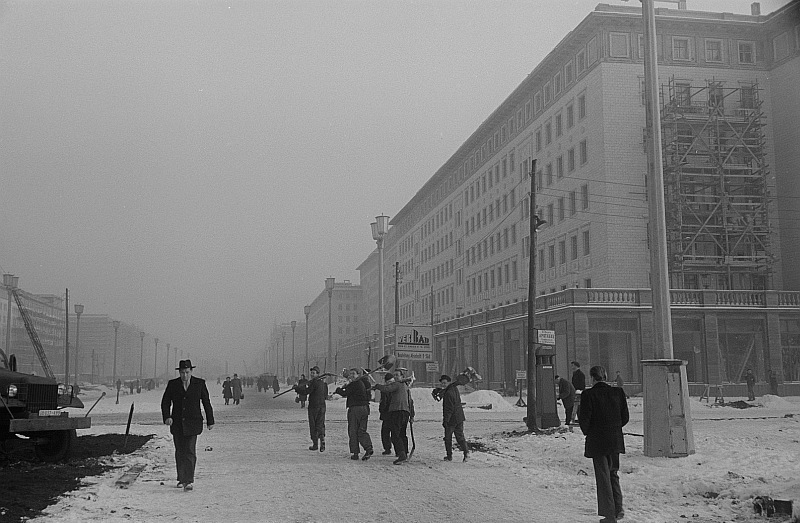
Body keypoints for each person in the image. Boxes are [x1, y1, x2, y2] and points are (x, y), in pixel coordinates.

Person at [579, 365, 629, 523]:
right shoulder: (618, 392)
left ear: (592, 378)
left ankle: (608, 515)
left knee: (603, 476)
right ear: (605, 377)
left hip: (598, 441)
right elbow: (625, 417)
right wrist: (614, 428)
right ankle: (618, 508)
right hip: (615, 440)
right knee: (613, 473)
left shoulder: (588, 395)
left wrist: (590, 432)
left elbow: (584, 420)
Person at [161, 359, 215, 492]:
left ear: (191, 371)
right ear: (179, 373)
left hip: (193, 423)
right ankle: (181, 478)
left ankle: (189, 480)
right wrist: (167, 417)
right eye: (182, 373)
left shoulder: (199, 384)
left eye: (187, 372)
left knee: (190, 450)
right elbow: (165, 402)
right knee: (180, 451)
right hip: (177, 423)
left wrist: (210, 420)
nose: (184, 375)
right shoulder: (173, 384)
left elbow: (206, 402)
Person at [335, 368, 374, 461]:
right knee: (361, 430)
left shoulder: (355, 384)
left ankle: (355, 452)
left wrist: (338, 390)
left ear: (358, 375)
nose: (351, 375)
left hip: (355, 409)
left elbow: (345, 393)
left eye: (354, 374)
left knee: (353, 430)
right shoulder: (362, 383)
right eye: (350, 373)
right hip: (365, 408)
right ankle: (368, 448)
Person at [373, 371, 411, 465]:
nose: (395, 377)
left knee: (395, 435)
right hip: (405, 412)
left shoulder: (397, 384)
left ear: (402, 376)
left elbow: (387, 389)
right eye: (394, 375)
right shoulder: (406, 386)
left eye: (397, 375)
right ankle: (404, 452)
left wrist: (378, 386)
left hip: (397, 411)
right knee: (402, 434)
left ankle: (401, 454)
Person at [294, 366, 327, 452]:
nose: (312, 374)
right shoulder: (321, 383)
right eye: (311, 373)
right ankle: (322, 438)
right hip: (322, 405)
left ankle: (315, 444)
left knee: (313, 425)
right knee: (320, 423)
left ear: (317, 374)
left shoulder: (314, 382)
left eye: (314, 373)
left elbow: (307, 391)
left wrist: (297, 389)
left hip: (313, 406)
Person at [438, 374, 469, 462]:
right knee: (460, 437)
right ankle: (466, 453)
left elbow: (449, 409)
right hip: (459, 417)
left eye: (444, 383)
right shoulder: (453, 389)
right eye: (442, 383)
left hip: (452, 419)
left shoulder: (449, 393)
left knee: (448, 438)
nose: (443, 385)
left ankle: (449, 456)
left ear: (448, 382)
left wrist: (445, 421)